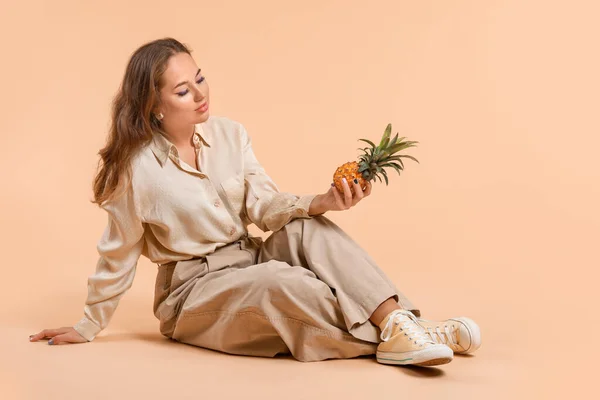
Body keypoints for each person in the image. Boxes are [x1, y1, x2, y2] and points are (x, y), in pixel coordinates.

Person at [29, 37, 481, 367]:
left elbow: (264, 207)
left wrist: (323, 201)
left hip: (249, 257)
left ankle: (401, 324)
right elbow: (118, 253)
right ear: (154, 107)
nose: (201, 94)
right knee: (282, 283)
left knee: (305, 228)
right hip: (191, 292)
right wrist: (89, 324)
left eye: (200, 78)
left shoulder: (231, 134)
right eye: (183, 90)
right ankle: (403, 336)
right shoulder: (136, 170)